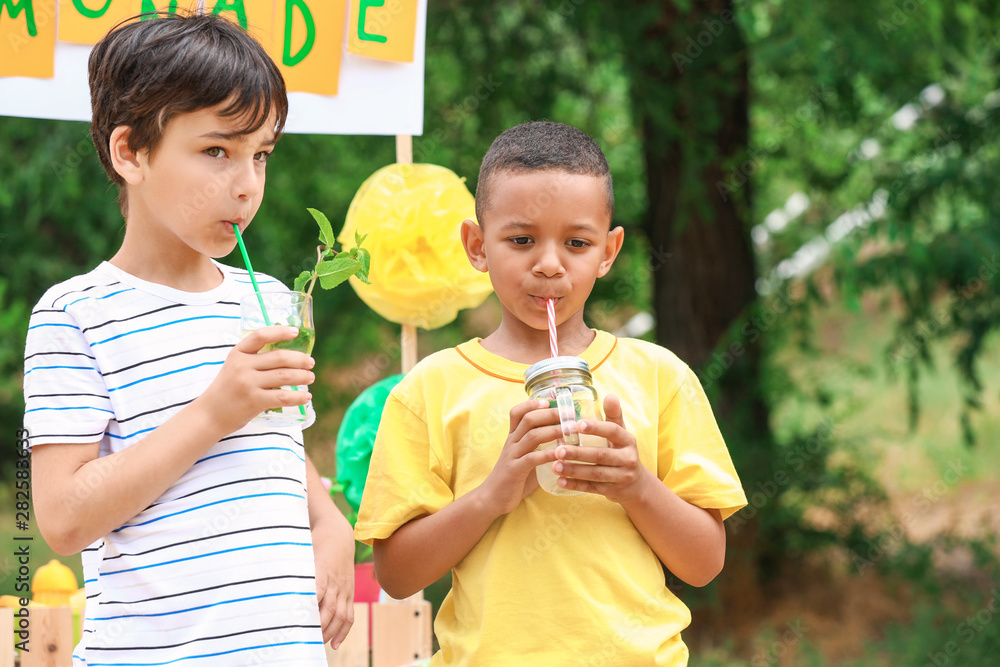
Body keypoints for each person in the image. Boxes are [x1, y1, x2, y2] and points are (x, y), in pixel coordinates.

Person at [23, 12, 353, 666]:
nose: (247, 183)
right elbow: (62, 518)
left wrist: (332, 526)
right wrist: (212, 412)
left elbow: (276, 453)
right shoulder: (76, 313)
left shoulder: (268, 301)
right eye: (217, 151)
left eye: (260, 154)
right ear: (130, 152)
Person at [354, 121, 748, 665]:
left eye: (577, 243)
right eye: (520, 240)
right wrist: (492, 495)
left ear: (609, 251)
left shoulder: (659, 376)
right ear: (476, 245)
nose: (548, 263)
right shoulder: (431, 388)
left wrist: (635, 484)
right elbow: (396, 576)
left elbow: (705, 563)